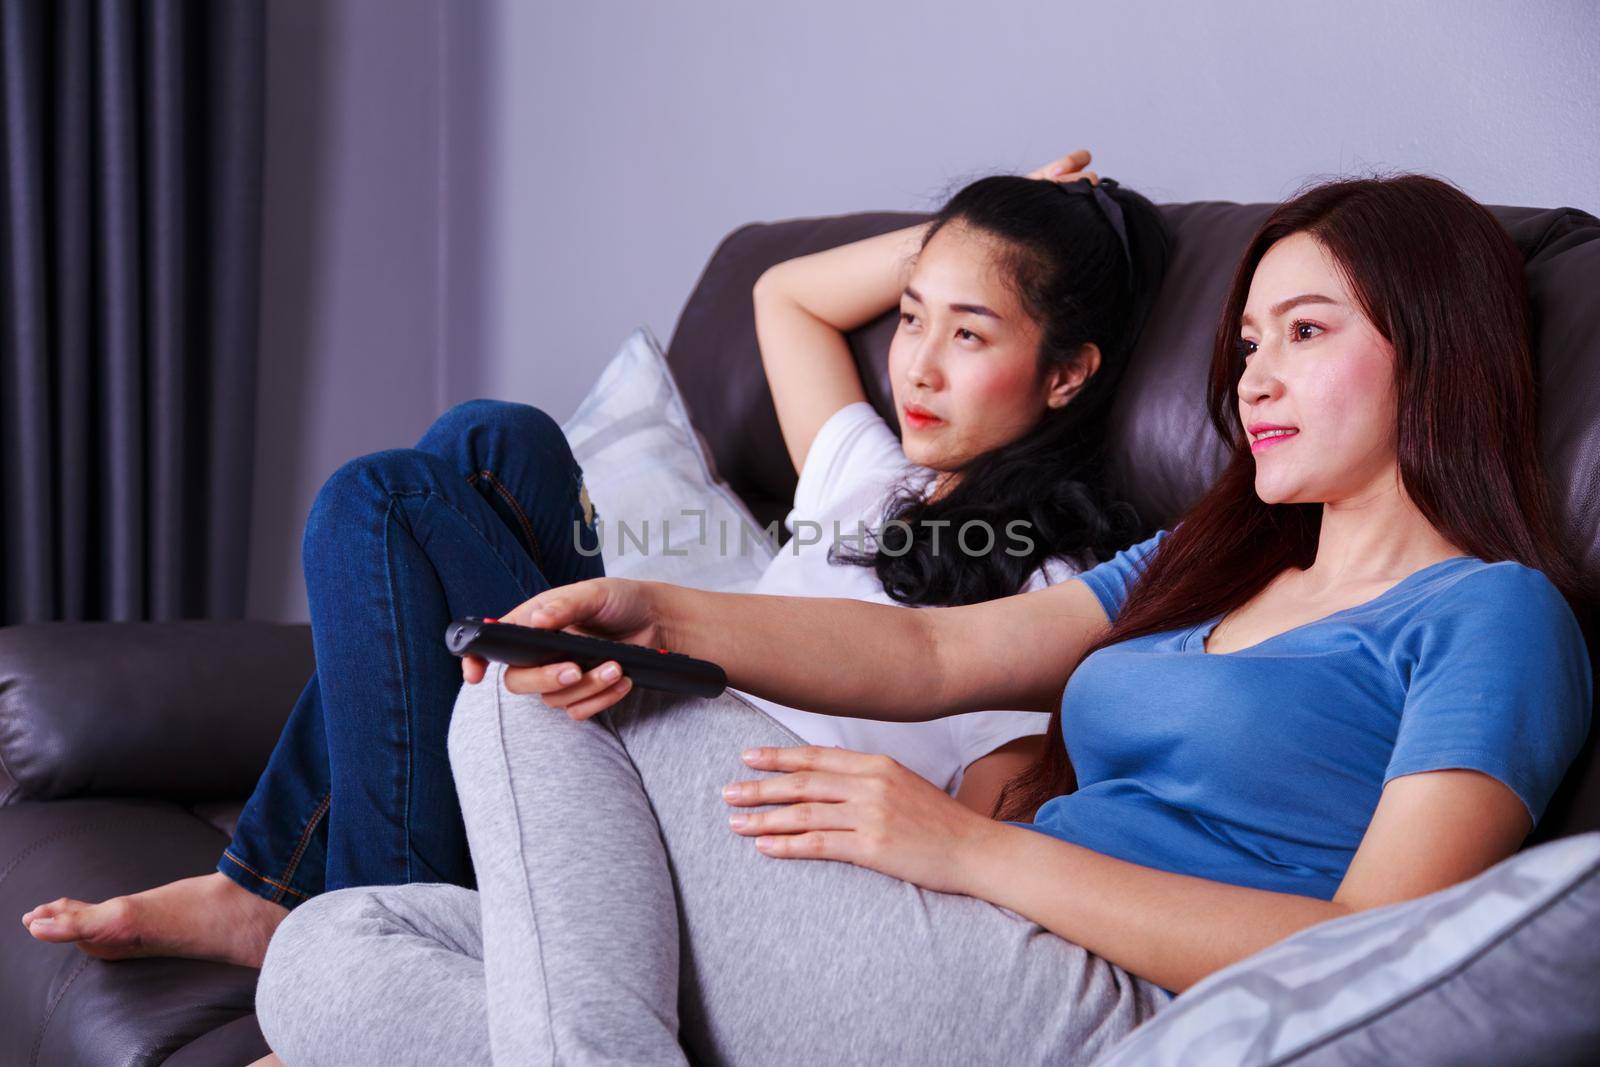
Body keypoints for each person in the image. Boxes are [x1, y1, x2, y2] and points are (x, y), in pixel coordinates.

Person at [250, 173, 1591, 1067]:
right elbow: (936, 649)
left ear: (1441, 344)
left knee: (517, 692)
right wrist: (659, 605)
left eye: (1305, 331)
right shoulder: (1211, 551)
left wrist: (968, 851)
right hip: (952, 932)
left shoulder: (1491, 617)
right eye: (1244, 343)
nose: (1254, 378)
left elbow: (1379, 951)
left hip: (1082, 994)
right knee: (324, 956)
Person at [20, 150, 1169, 968]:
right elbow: (786, 294)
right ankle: (272, 901)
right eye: (912, 316)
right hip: (642, 717)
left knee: (382, 501)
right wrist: (996, 226)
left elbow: (978, 800)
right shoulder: (868, 468)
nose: (915, 364)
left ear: (1068, 373)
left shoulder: (1057, 595)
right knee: (492, 438)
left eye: (970, 335)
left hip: (695, 824)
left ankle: (370, 945)